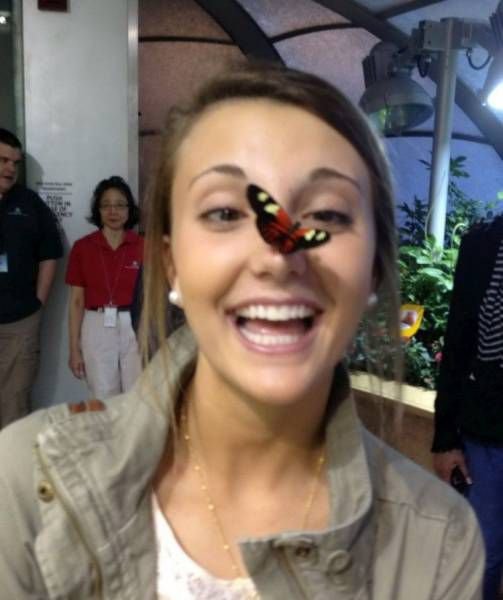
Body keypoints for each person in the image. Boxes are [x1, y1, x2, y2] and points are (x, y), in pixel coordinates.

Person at [0, 63, 483, 599]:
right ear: (172, 263)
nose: (276, 257)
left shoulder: (436, 541)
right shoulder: (29, 486)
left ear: (373, 268)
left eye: (326, 213)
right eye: (226, 212)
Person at [432, 217, 503, 600]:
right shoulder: (483, 243)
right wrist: (445, 439)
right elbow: (457, 343)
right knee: (482, 556)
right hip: (487, 434)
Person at [0, 127, 63, 429]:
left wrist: (38, 304)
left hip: (20, 324)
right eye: (3, 160)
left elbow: (50, 253)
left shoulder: (29, 203)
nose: (10, 169)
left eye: (15, 162)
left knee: (15, 403)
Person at [65, 175, 143, 399]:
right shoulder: (83, 247)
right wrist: (74, 349)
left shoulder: (143, 246)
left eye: (120, 205)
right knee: (102, 394)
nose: (113, 211)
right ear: (98, 210)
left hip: (136, 322)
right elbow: (76, 301)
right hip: (97, 322)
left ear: (129, 210)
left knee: (138, 393)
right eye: (106, 205)